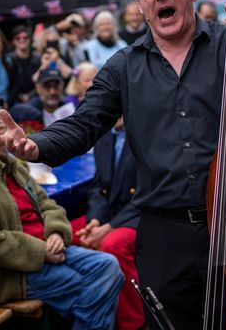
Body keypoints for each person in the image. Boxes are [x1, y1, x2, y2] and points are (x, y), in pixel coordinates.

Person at [0, 0, 226, 329]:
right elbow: (83, 124)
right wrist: (37, 144)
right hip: (163, 236)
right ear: (140, 4)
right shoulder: (123, 67)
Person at [0, 104, 123, 329]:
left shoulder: (14, 167)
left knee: (108, 267)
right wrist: (41, 251)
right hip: (13, 272)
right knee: (87, 286)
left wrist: (56, 232)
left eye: (0, 128)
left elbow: (47, 204)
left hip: (49, 249)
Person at [72, 116, 144, 330]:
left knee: (112, 245)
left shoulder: (144, 134)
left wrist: (109, 227)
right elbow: (98, 185)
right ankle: (92, 312)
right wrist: (94, 220)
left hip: (140, 216)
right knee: (69, 234)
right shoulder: (104, 134)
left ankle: (133, 323)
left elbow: (147, 192)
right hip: (109, 216)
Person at [6, 26, 41, 106]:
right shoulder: (8, 60)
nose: (22, 40)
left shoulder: (37, 58)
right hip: (13, 99)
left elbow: (40, 81)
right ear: (13, 41)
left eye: (25, 37)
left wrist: (30, 95)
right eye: (18, 38)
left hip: (34, 97)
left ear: (30, 40)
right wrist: (20, 96)